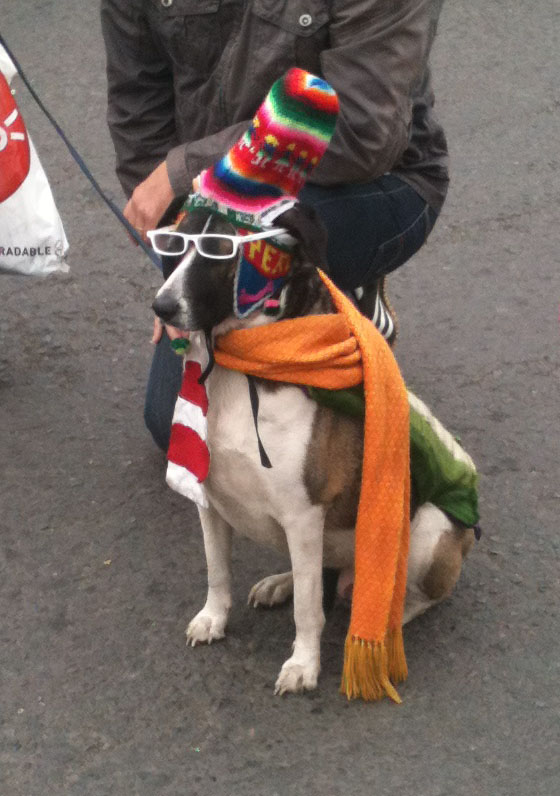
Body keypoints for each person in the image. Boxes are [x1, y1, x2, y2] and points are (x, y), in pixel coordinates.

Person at [100, 0, 449, 451]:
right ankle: (276, 304)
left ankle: (347, 288)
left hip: (359, 182)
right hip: (213, 202)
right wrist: (180, 262)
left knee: (284, 442)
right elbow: (138, 109)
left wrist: (185, 169)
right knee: (181, 430)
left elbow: (362, 133)